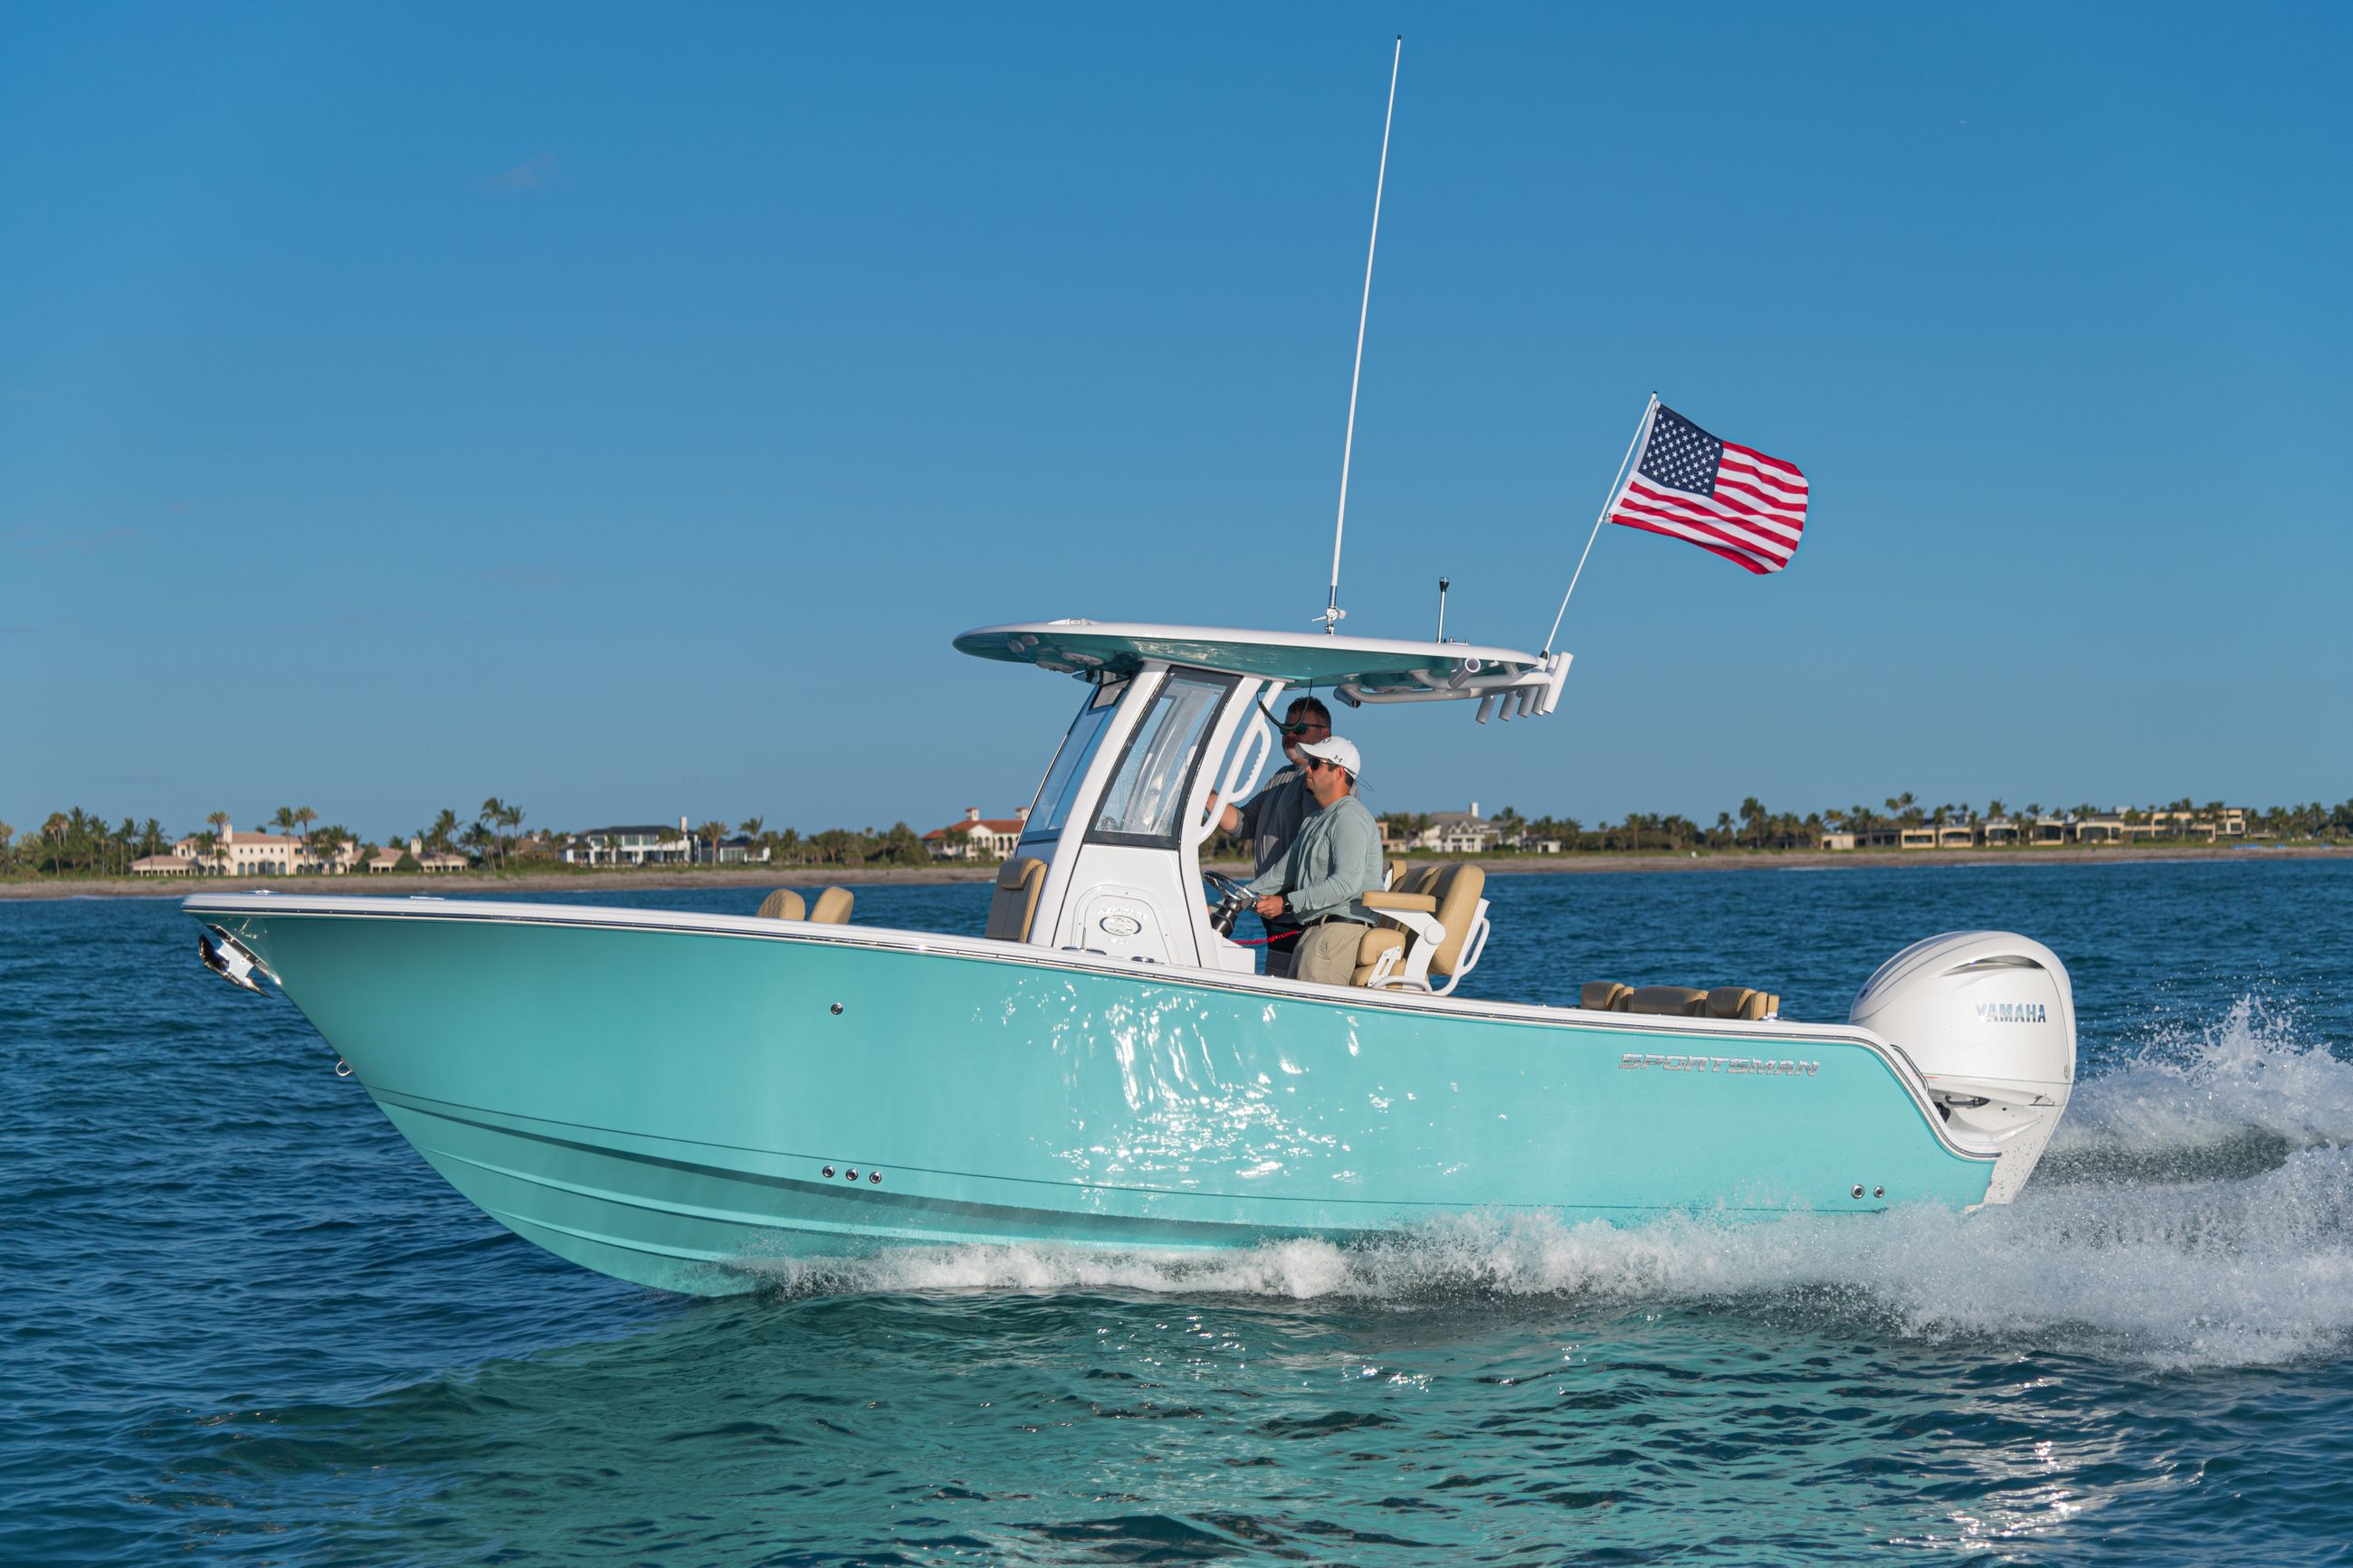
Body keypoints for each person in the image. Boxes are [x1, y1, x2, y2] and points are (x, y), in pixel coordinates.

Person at [1202, 696, 1329, 976]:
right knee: (1276, 984)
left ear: (1325, 733)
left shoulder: (1322, 781)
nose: (1290, 735)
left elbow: (1315, 844)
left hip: (1298, 913)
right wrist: (1207, 794)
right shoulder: (1281, 777)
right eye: (1285, 729)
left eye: (1299, 728)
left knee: (1291, 992)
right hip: (1275, 912)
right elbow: (1244, 824)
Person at [1243, 735, 1383, 987]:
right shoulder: (1314, 821)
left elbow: (1345, 884)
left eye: (1316, 764)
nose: (1307, 768)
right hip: (1313, 934)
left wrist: (1286, 903)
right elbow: (1280, 874)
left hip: (1336, 934)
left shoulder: (1349, 817)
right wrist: (1225, 904)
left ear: (1339, 772)